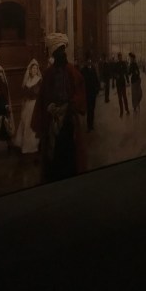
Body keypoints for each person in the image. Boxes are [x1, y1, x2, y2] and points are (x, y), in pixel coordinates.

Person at [31, 33, 87, 182]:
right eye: (58, 51)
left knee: (70, 152)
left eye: (62, 50)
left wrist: (70, 104)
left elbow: (80, 92)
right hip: (52, 120)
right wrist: (50, 107)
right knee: (53, 154)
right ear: (54, 54)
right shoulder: (49, 73)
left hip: (68, 119)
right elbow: (43, 98)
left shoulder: (72, 71)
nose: (62, 54)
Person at [13, 59, 41, 154]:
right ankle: (25, 144)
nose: (34, 70)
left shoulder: (39, 80)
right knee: (25, 124)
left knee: (32, 124)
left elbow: (39, 94)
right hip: (28, 104)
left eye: (36, 68)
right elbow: (24, 94)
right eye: (33, 68)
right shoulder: (27, 81)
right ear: (30, 70)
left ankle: (33, 145)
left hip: (35, 104)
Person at [80, 51, 100, 131]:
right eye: (88, 60)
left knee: (92, 109)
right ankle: (89, 125)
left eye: (89, 60)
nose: (89, 61)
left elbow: (96, 80)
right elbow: (81, 82)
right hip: (87, 92)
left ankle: (91, 124)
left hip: (93, 92)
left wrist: (97, 88)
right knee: (89, 109)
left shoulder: (93, 69)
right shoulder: (83, 70)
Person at [114, 52, 130, 117]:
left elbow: (126, 72)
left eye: (121, 57)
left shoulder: (123, 63)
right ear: (118, 57)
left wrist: (128, 80)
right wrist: (116, 76)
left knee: (124, 97)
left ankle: (127, 109)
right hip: (118, 83)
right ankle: (121, 111)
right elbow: (114, 73)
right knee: (120, 98)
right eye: (119, 57)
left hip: (122, 82)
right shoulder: (116, 64)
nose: (120, 58)